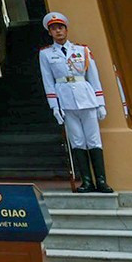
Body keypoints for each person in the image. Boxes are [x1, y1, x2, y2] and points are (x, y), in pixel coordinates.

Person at [40, 12, 113, 193]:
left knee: (94, 140)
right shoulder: (46, 54)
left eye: (60, 27)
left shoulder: (82, 51)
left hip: (86, 97)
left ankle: (101, 181)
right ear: (49, 32)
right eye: (53, 29)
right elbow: (48, 81)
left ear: (66, 29)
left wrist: (100, 102)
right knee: (78, 141)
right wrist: (54, 107)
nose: (58, 31)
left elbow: (93, 77)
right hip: (65, 99)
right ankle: (87, 181)